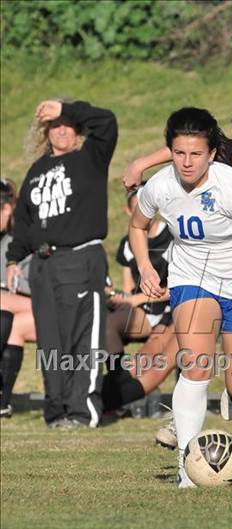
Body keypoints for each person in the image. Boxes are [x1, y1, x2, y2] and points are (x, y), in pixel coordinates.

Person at [123, 91, 232, 480]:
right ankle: (188, 465)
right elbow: (139, 221)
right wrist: (147, 267)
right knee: (196, 364)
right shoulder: (177, 172)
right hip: (192, 277)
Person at [6, 99, 118, 429]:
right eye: (55, 125)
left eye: (68, 124)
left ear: (78, 128)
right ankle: (57, 412)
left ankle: (82, 412)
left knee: (82, 340)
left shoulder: (91, 158)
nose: (62, 130)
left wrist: (66, 108)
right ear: (45, 132)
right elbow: (25, 219)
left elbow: (107, 120)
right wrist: (14, 258)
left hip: (81, 259)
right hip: (43, 265)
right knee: (51, 342)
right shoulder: (38, 170)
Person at [102, 188, 178, 422]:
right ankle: (114, 386)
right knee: (107, 325)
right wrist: (117, 297)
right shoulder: (128, 243)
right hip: (143, 314)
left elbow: (179, 287)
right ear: (128, 210)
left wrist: (138, 299)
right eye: (136, 207)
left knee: (149, 359)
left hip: (172, 311)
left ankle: (108, 400)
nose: (142, 212)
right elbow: (129, 288)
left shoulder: (172, 236)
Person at [1, 178, 35, 418]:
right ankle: (3, 402)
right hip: (13, 313)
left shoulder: (22, 239)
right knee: (5, 320)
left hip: (40, 308)